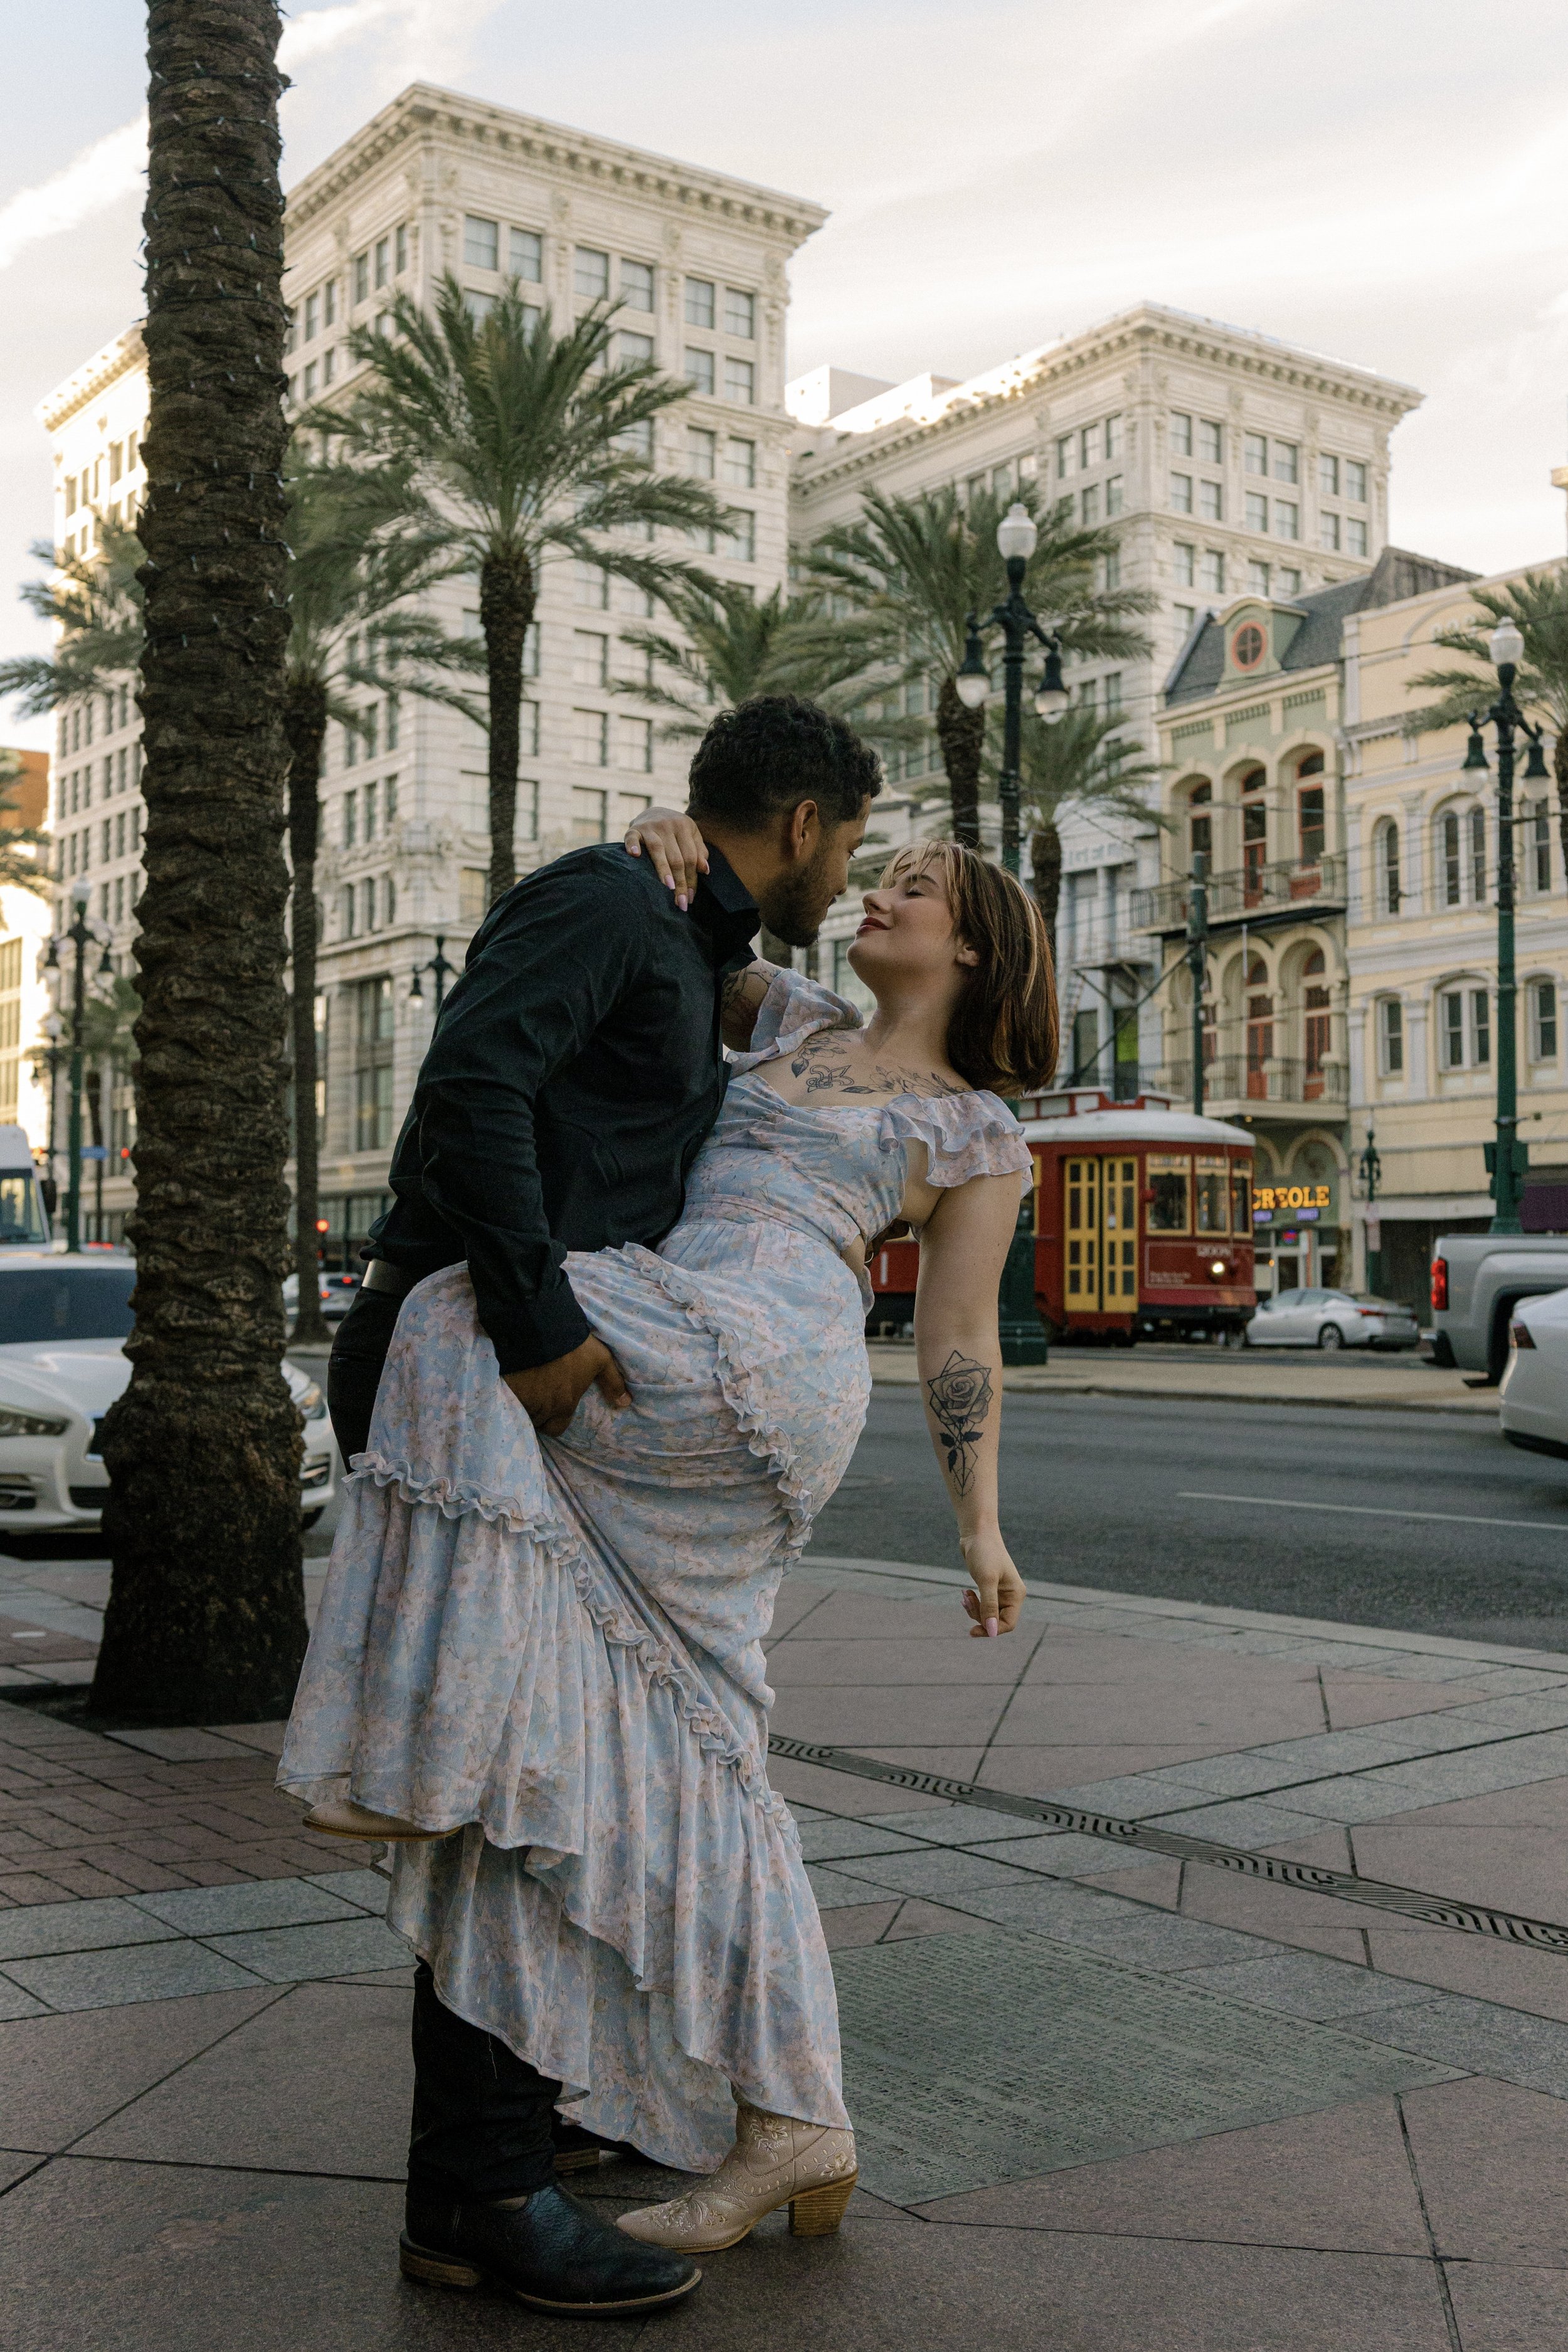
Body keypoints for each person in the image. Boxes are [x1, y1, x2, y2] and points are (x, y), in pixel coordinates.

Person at [282, 736, 1056, 2316]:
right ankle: (787, 2118)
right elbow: (688, 928)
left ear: (970, 946)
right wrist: (652, 839)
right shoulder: (789, 1019)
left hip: (757, 1364)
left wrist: (977, 1525)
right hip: (677, 1314)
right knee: (690, 1747)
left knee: (447, 1313)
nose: (877, 886)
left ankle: (398, 1737)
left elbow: (957, 1337)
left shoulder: (972, 1125)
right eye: (871, 861)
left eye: (912, 885)